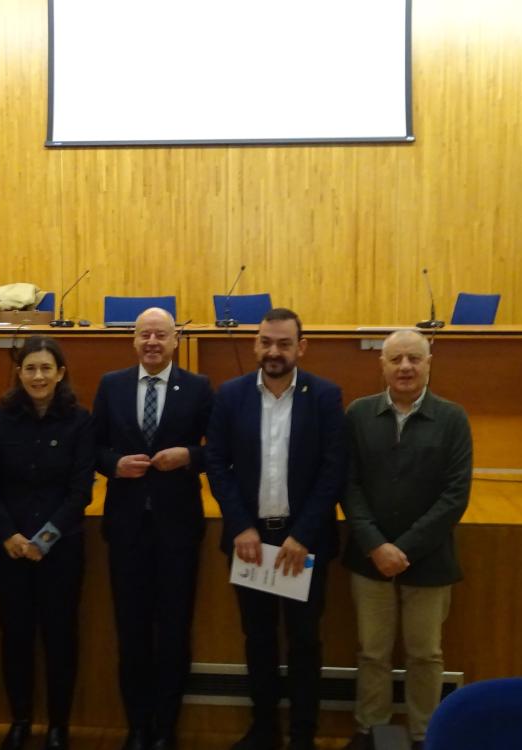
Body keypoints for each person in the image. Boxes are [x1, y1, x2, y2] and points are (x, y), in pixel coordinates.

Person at [205, 308, 345, 750]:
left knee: (304, 641)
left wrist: (301, 534)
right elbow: (216, 463)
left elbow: (333, 469)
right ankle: (263, 729)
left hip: (302, 542)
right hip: (250, 543)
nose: (273, 351)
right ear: (255, 343)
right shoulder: (230, 395)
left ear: (300, 348)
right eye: (266, 341)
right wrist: (241, 526)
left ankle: (303, 734)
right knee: (258, 638)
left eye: (284, 343)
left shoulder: (324, 396)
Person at [341, 330, 472, 750]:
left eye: (414, 358)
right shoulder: (359, 414)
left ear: (430, 362)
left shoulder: (453, 418)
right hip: (369, 557)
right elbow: (348, 485)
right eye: (395, 359)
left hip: (429, 560)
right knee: (372, 653)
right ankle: (374, 732)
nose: (405, 367)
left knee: (425, 655)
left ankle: (423, 737)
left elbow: (455, 495)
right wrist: (376, 545)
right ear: (381, 364)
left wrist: (405, 548)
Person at [92, 307, 214, 750]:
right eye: (144, 335)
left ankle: (166, 727)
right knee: (132, 630)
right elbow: (94, 445)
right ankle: (137, 726)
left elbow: (217, 448)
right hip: (126, 528)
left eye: (160, 335)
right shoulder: (112, 385)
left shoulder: (198, 387)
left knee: (174, 630)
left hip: (178, 529)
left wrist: (189, 456)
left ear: (175, 340)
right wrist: (113, 465)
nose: (152, 342)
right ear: (134, 340)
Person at [0, 336, 94, 750]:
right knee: (16, 635)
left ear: (60, 373)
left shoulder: (80, 420)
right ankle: (21, 719)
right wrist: (9, 535)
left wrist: (44, 539)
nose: (38, 376)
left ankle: (59, 725)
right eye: (30, 368)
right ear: (19, 373)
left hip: (60, 548)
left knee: (61, 635)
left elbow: (81, 490)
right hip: (9, 548)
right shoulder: (1, 419)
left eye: (46, 368)